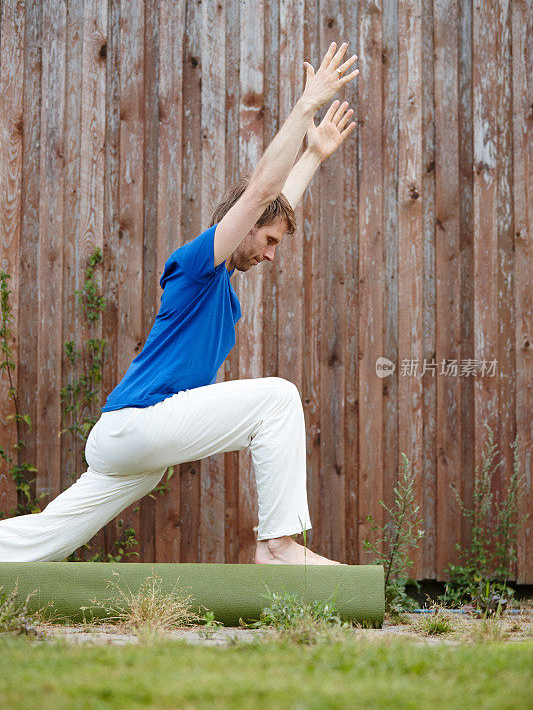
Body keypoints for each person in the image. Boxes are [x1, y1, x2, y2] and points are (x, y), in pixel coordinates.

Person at [0, 41, 359, 564]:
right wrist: (305, 107)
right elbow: (260, 192)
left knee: (44, 540)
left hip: (127, 443)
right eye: (270, 242)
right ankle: (278, 545)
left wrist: (313, 156)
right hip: (138, 423)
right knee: (278, 399)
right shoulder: (197, 264)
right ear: (242, 225)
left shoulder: (220, 288)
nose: (272, 255)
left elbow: (273, 205)